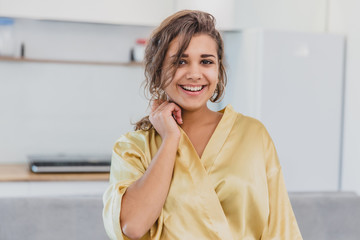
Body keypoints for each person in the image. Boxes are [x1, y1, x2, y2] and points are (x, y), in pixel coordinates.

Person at [103, 10, 303, 240]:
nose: (195, 73)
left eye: (206, 61)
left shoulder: (253, 135)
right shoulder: (133, 147)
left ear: (219, 71)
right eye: (180, 62)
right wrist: (170, 139)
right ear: (158, 71)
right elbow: (133, 226)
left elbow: (280, 228)